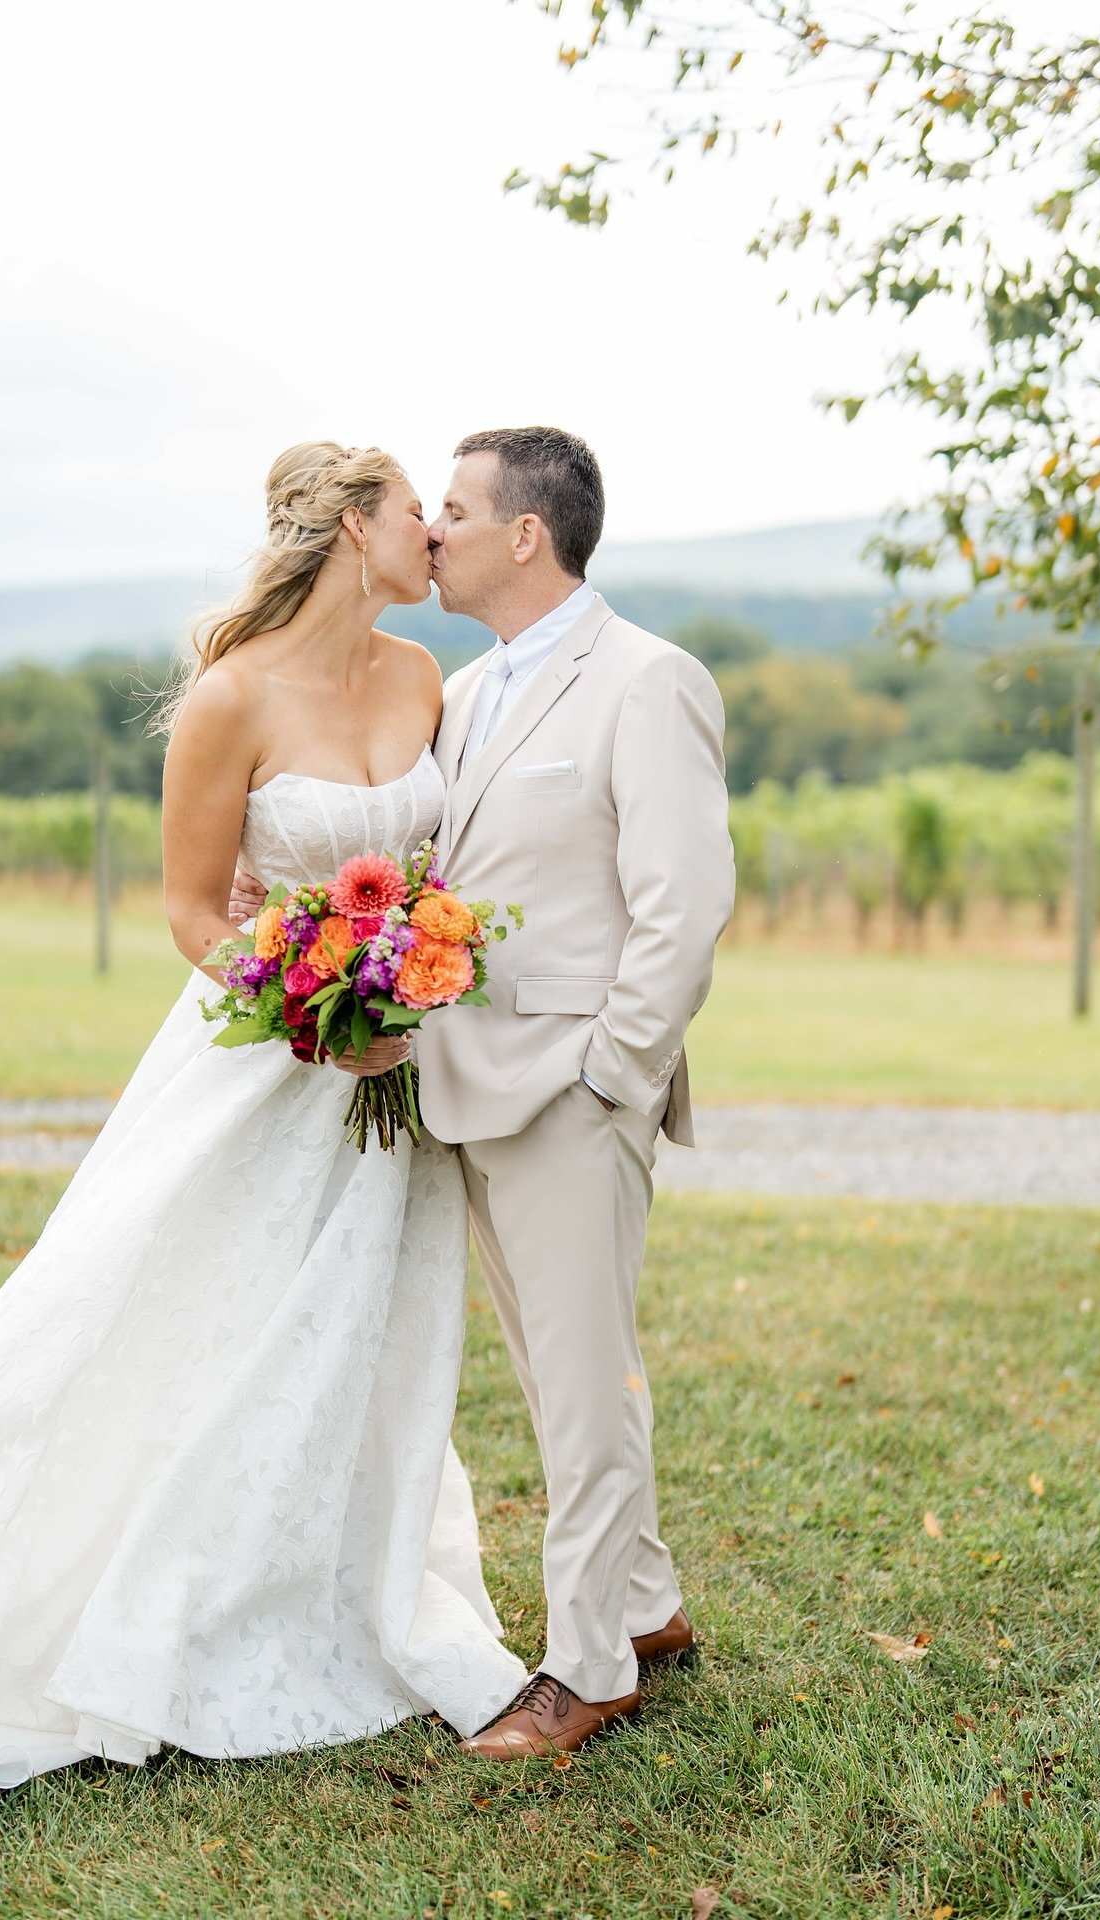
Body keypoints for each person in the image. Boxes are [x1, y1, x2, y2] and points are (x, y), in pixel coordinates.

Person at [0, 441, 528, 1826]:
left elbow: (434, 869)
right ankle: (118, 1601)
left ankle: (312, 1585)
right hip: (264, 1064)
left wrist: (407, 983)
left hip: (393, 1078)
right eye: (412, 509)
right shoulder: (231, 698)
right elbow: (191, 911)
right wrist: (310, 1008)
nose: (433, 529)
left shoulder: (423, 677)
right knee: (180, 1319)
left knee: (353, 1335)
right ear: (350, 528)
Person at [233, 426, 736, 1758]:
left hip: (573, 1092)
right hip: (467, 1084)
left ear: (527, 534)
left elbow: (684, 906)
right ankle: (647, 1606)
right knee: (559, 1370)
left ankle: (589, 1668)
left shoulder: (648, 681)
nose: (433, 530)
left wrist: (611, 1075)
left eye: (454, 509)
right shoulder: (465, 691)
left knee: (582, 1381)